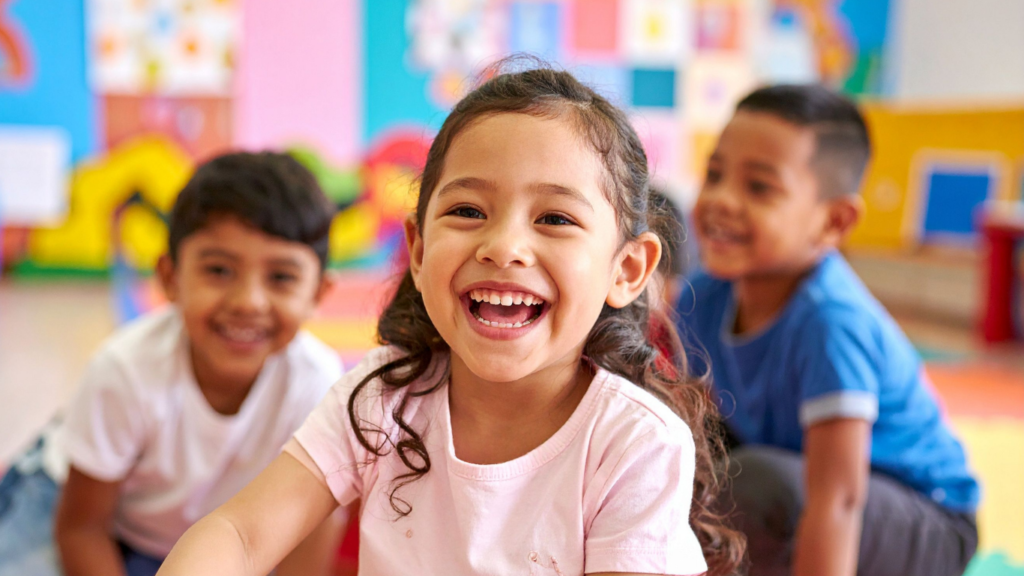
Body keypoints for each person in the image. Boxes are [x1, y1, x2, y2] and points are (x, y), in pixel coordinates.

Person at [155, 64, 745, 576]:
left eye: (556, 219)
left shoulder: (634, 440)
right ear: (416, 249)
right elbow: (241, 535)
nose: (504, 245)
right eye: (468, 210)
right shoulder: (385, 392)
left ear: (627, 268)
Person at [676, 84, 979, 576]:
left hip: (925, 519)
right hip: (806, 482)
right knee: (684, 460)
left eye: (758, 188)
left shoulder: (831, 321)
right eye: (714, 174)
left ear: (834, 220)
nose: (721, 200)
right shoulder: (703, 295)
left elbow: (838, 499)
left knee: (756, 485)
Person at [0, 152, 345, 576]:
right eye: (219, 270)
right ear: (170, 277)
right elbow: (82, 530)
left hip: (212, 543)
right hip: (77, 510)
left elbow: (309, 534)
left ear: (318, 293)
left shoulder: (317, 384)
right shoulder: (126, 371)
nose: (247, 303)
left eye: (281, 278)